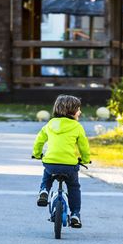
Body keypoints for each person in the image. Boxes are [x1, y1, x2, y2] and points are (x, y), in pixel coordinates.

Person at [32, 95, 90, 228]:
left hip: (51, 163)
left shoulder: (50, 124)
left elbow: (39, 141)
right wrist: (86, 159)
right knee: (74, 187)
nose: (80, 112)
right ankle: (75, 214)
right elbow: (84, 146)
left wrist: (36, 154)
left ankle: (44, 191)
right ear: (72, 111)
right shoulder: (77, 126)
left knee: (47, 175)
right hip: (70, 165)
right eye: (78, 109)